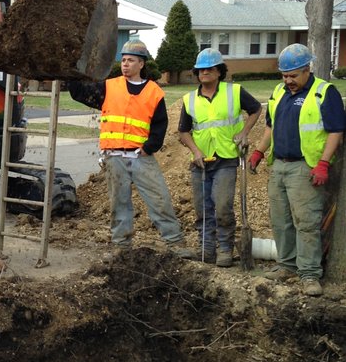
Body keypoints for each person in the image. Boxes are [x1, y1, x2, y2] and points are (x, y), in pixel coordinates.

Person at [69, 39, 193, 256]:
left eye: (131, 60)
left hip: (140, 156)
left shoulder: (153, 92)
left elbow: (160, 124)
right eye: (124, 60)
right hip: (114, 157)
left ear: (141, 64)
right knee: (119, 203)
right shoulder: (109, 86)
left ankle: (175, 242)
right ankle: (121, 246)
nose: (125, 64)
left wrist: (149, 147)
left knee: (159, 198)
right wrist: (71, 72)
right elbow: (80, 92)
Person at [248, 43, 345, 297]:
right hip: (279, 165)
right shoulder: (279, 92)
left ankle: (310, 273)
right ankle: (287, 265)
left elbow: (336, 130)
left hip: (306, 167)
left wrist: (324, 163)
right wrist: (259, 151)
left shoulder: (324, 92)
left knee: (307, 222)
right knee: (280, 220)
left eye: (293, 75)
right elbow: (270, 127)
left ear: (307, 70)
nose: (287, 80)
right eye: (284, 75)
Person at [178, 48, 262, 266]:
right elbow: (184, 131)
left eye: (209, 69)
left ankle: (225, 248)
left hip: (226, 158)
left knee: (223, 206)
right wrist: (195, 151)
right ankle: (207, 248)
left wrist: (244, 132)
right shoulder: (189, 99)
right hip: (200, 162)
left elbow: (255, 109)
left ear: (219, 71)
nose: (204, 73)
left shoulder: (234, 92)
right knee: (202, 208)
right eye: (200, 70)